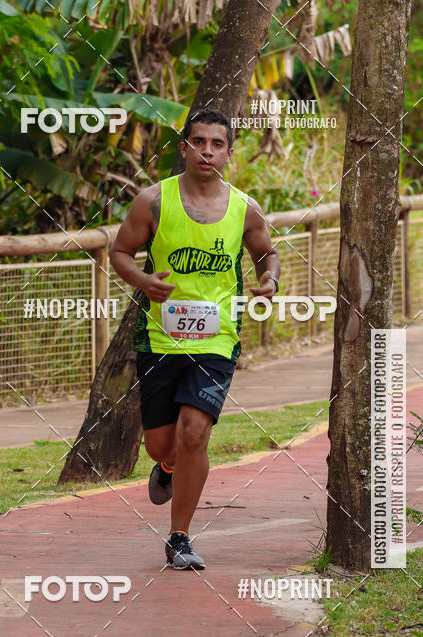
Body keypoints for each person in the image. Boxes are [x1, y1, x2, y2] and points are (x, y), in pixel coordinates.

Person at [109, 108, 280, 570]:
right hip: (160, 340)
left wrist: (270, 281)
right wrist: (144, 282)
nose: (207, 151)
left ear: (229, 150)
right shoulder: (153, 201)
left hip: (217, 339)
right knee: (162, 446)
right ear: (184, 147)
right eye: (198, 141)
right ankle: (166, 468)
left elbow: (267, 253)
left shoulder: (245, 207)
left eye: (217, 143)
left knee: (194, 433)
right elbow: (120, 252)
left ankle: (180, 537)